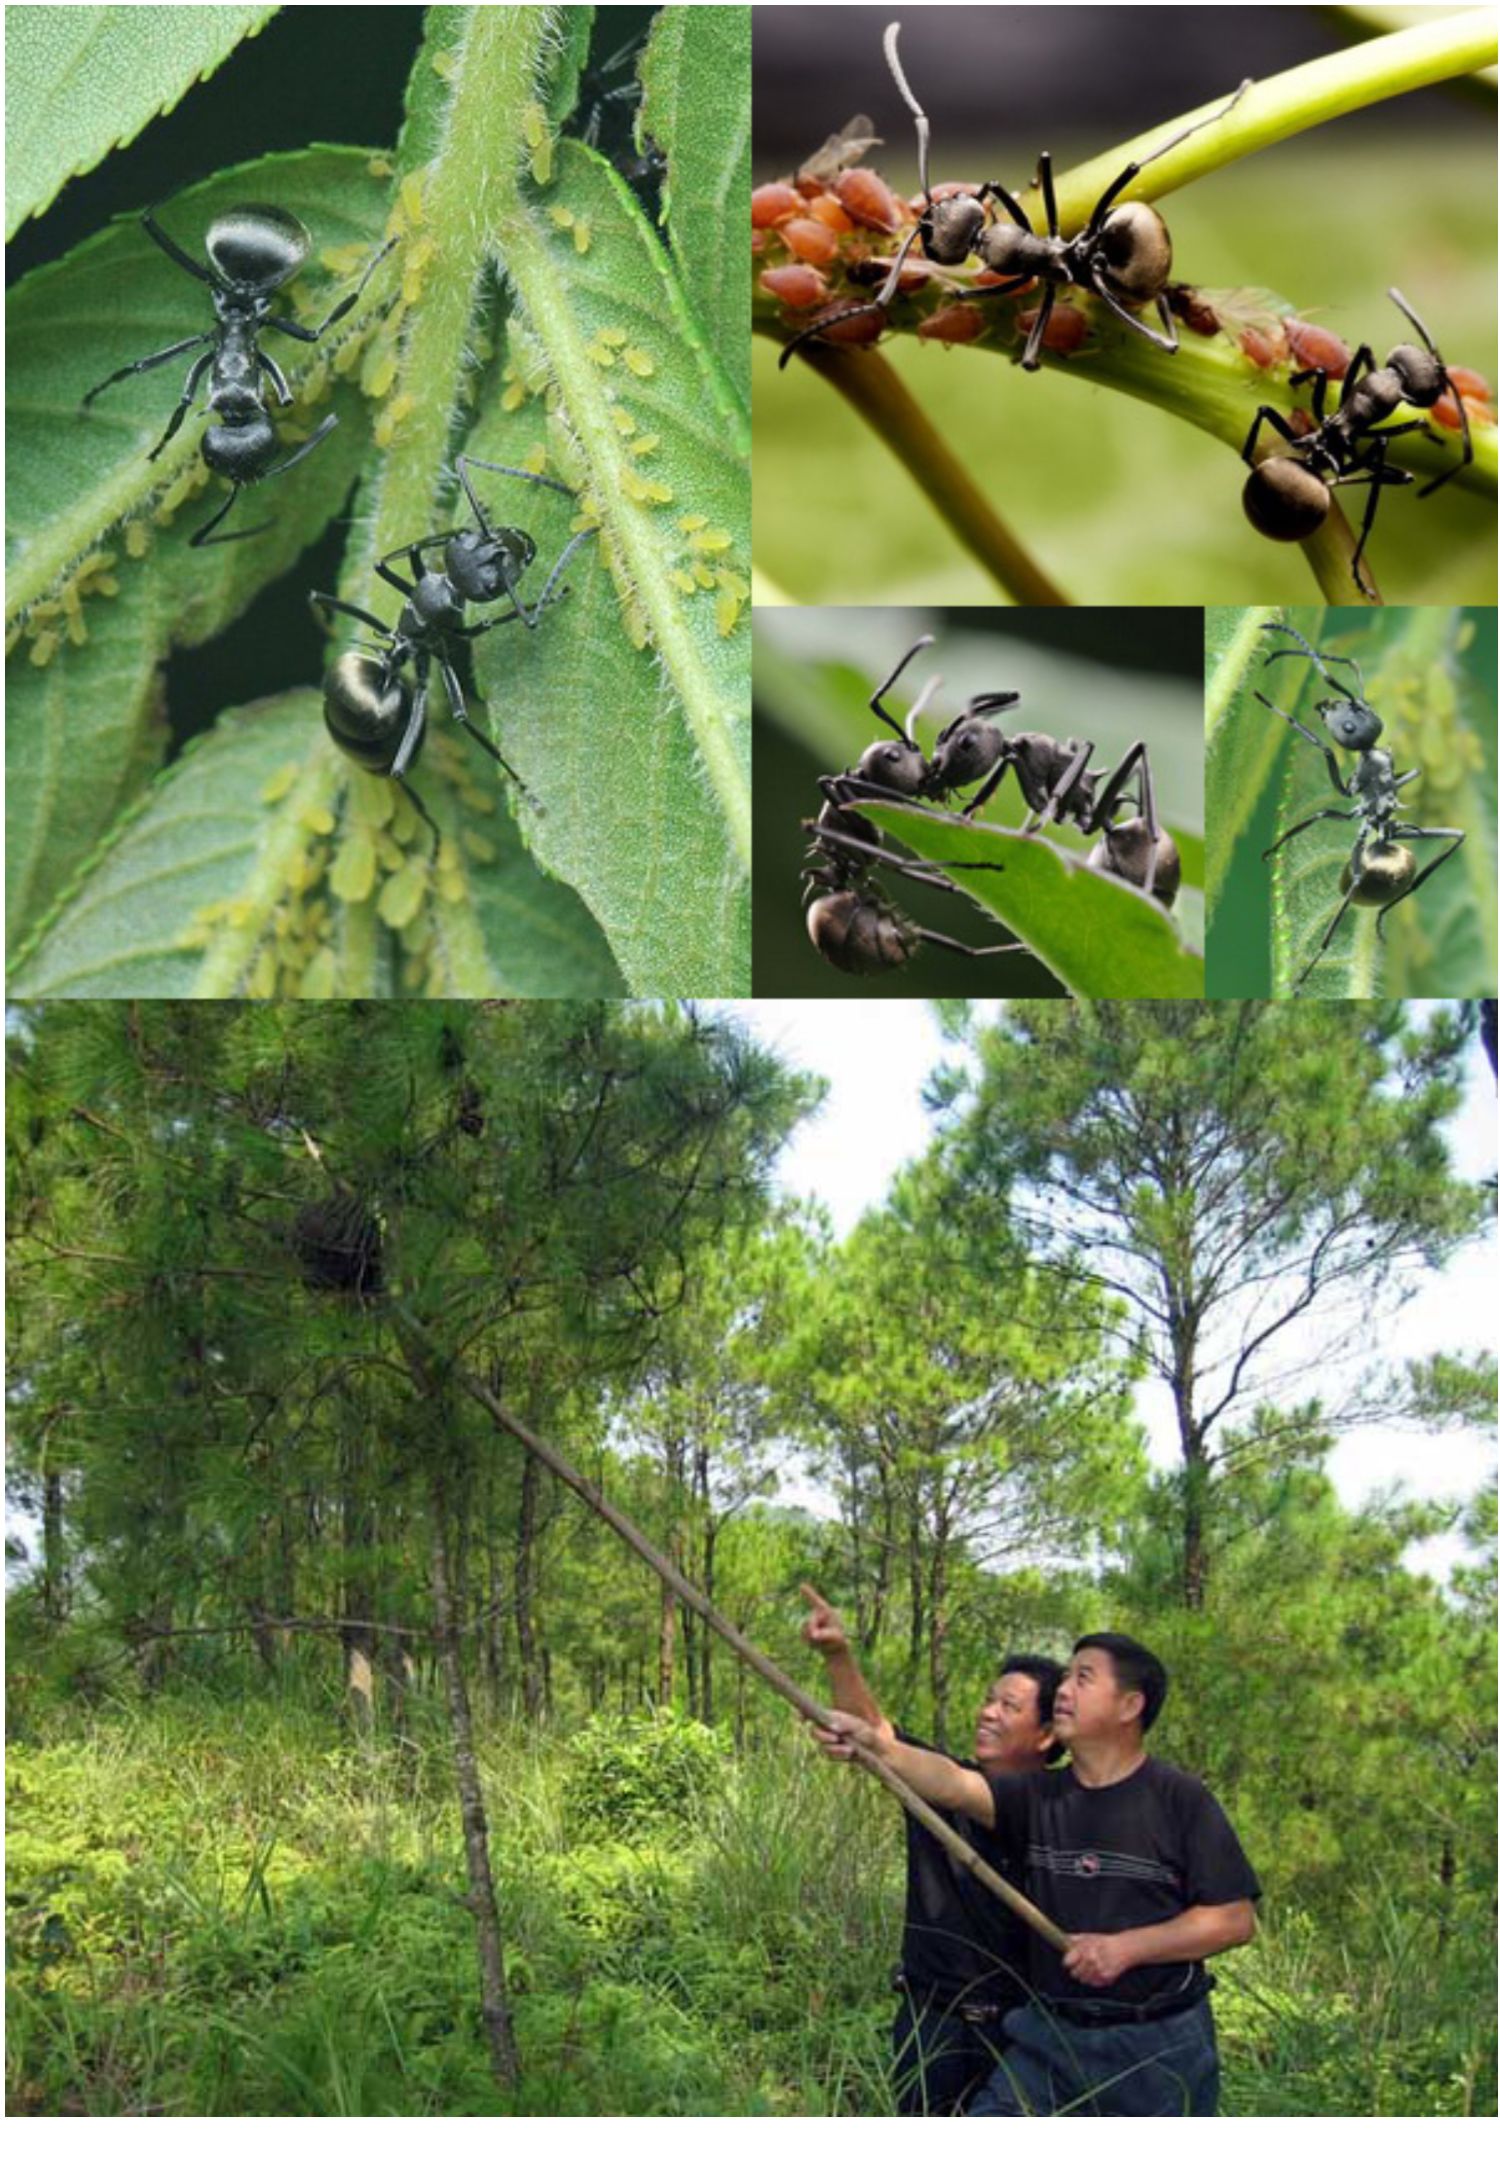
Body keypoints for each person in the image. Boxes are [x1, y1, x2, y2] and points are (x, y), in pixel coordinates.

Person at [815, 1630, 1259, 2117]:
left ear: (1130, 1705)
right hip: (1050, 2038)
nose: (1065, 1689)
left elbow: (1234, 1919)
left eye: (1083, 1678)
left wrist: (1126, 1949)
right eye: (1066, 1676)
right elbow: (955, 1784)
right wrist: (877, 1747)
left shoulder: (1180, 1799)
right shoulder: (1038, 1796)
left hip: (1157, 2044)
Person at [801, 1583, 1060, 2115]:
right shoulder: (939, 1781)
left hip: (1020, 2031)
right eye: (989, 1698)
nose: (987, 1712)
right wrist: (838, 1655)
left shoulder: (1066, 1809)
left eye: (1008, 1706)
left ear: (1047, 1736)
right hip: (930, 2024)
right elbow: (876, 1735)